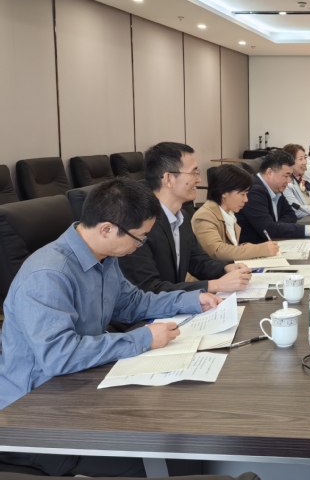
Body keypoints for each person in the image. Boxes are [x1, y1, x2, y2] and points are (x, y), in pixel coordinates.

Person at [0, 178, 221, 475]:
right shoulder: (48, 274)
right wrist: (143, 339)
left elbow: (131, 303)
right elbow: (58, 355)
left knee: (180, 432)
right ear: (106, 229)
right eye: (139, 238)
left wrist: (192, 300)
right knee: (160, 459)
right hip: (33, 416)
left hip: (79, 387)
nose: (140, 246)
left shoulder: (104, 257)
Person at [119, 142, 252, 294]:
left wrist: (225, 269)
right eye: (194, 173)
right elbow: (148, 288)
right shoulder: (138, 224)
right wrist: (215, 285)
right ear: (169, 179)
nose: (199, 179)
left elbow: (198, 261)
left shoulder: (182, 216)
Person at [237, 149, 310, 241]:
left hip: (275, 241)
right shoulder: (253, 191)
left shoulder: (276, 188)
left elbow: (291, 215)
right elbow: (268, 230)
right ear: (270, 173)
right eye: (286, 176)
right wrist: (309, 230)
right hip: (256, 247)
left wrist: (277, 226)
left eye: (290, 176)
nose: (289, 180)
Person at [192, 164, 281, 261]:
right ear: (224, 192)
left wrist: (245, 247)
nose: (246, 200)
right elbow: (217, 251)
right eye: (242, 194)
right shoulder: (205, 216)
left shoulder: (229, 213)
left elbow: (230, 247)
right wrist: (259, 250)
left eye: (246, 194)